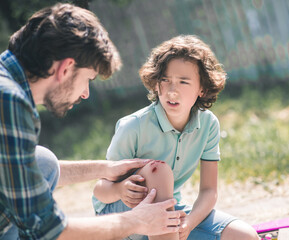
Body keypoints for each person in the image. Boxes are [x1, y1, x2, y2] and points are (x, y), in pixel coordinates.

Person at [0, 3, 185, 240]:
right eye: (88, 78)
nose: (86, 93)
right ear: (66, 68)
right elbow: (47, 228)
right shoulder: (10, 103)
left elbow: (23, 169)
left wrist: (104, 168)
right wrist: (135, 220)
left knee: (43, 161)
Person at [93, 35, 259, 240]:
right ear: (155, 83)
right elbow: (100, 190)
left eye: (183, 82)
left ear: (202, 89)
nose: (172, 90)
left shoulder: (208, 124)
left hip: (168, 213)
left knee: (245, 236)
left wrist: (188, 224)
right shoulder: (133, 126)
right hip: (119, 220)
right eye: (165, 80)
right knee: (158, 170)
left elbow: (209, 191)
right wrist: (120, 190)